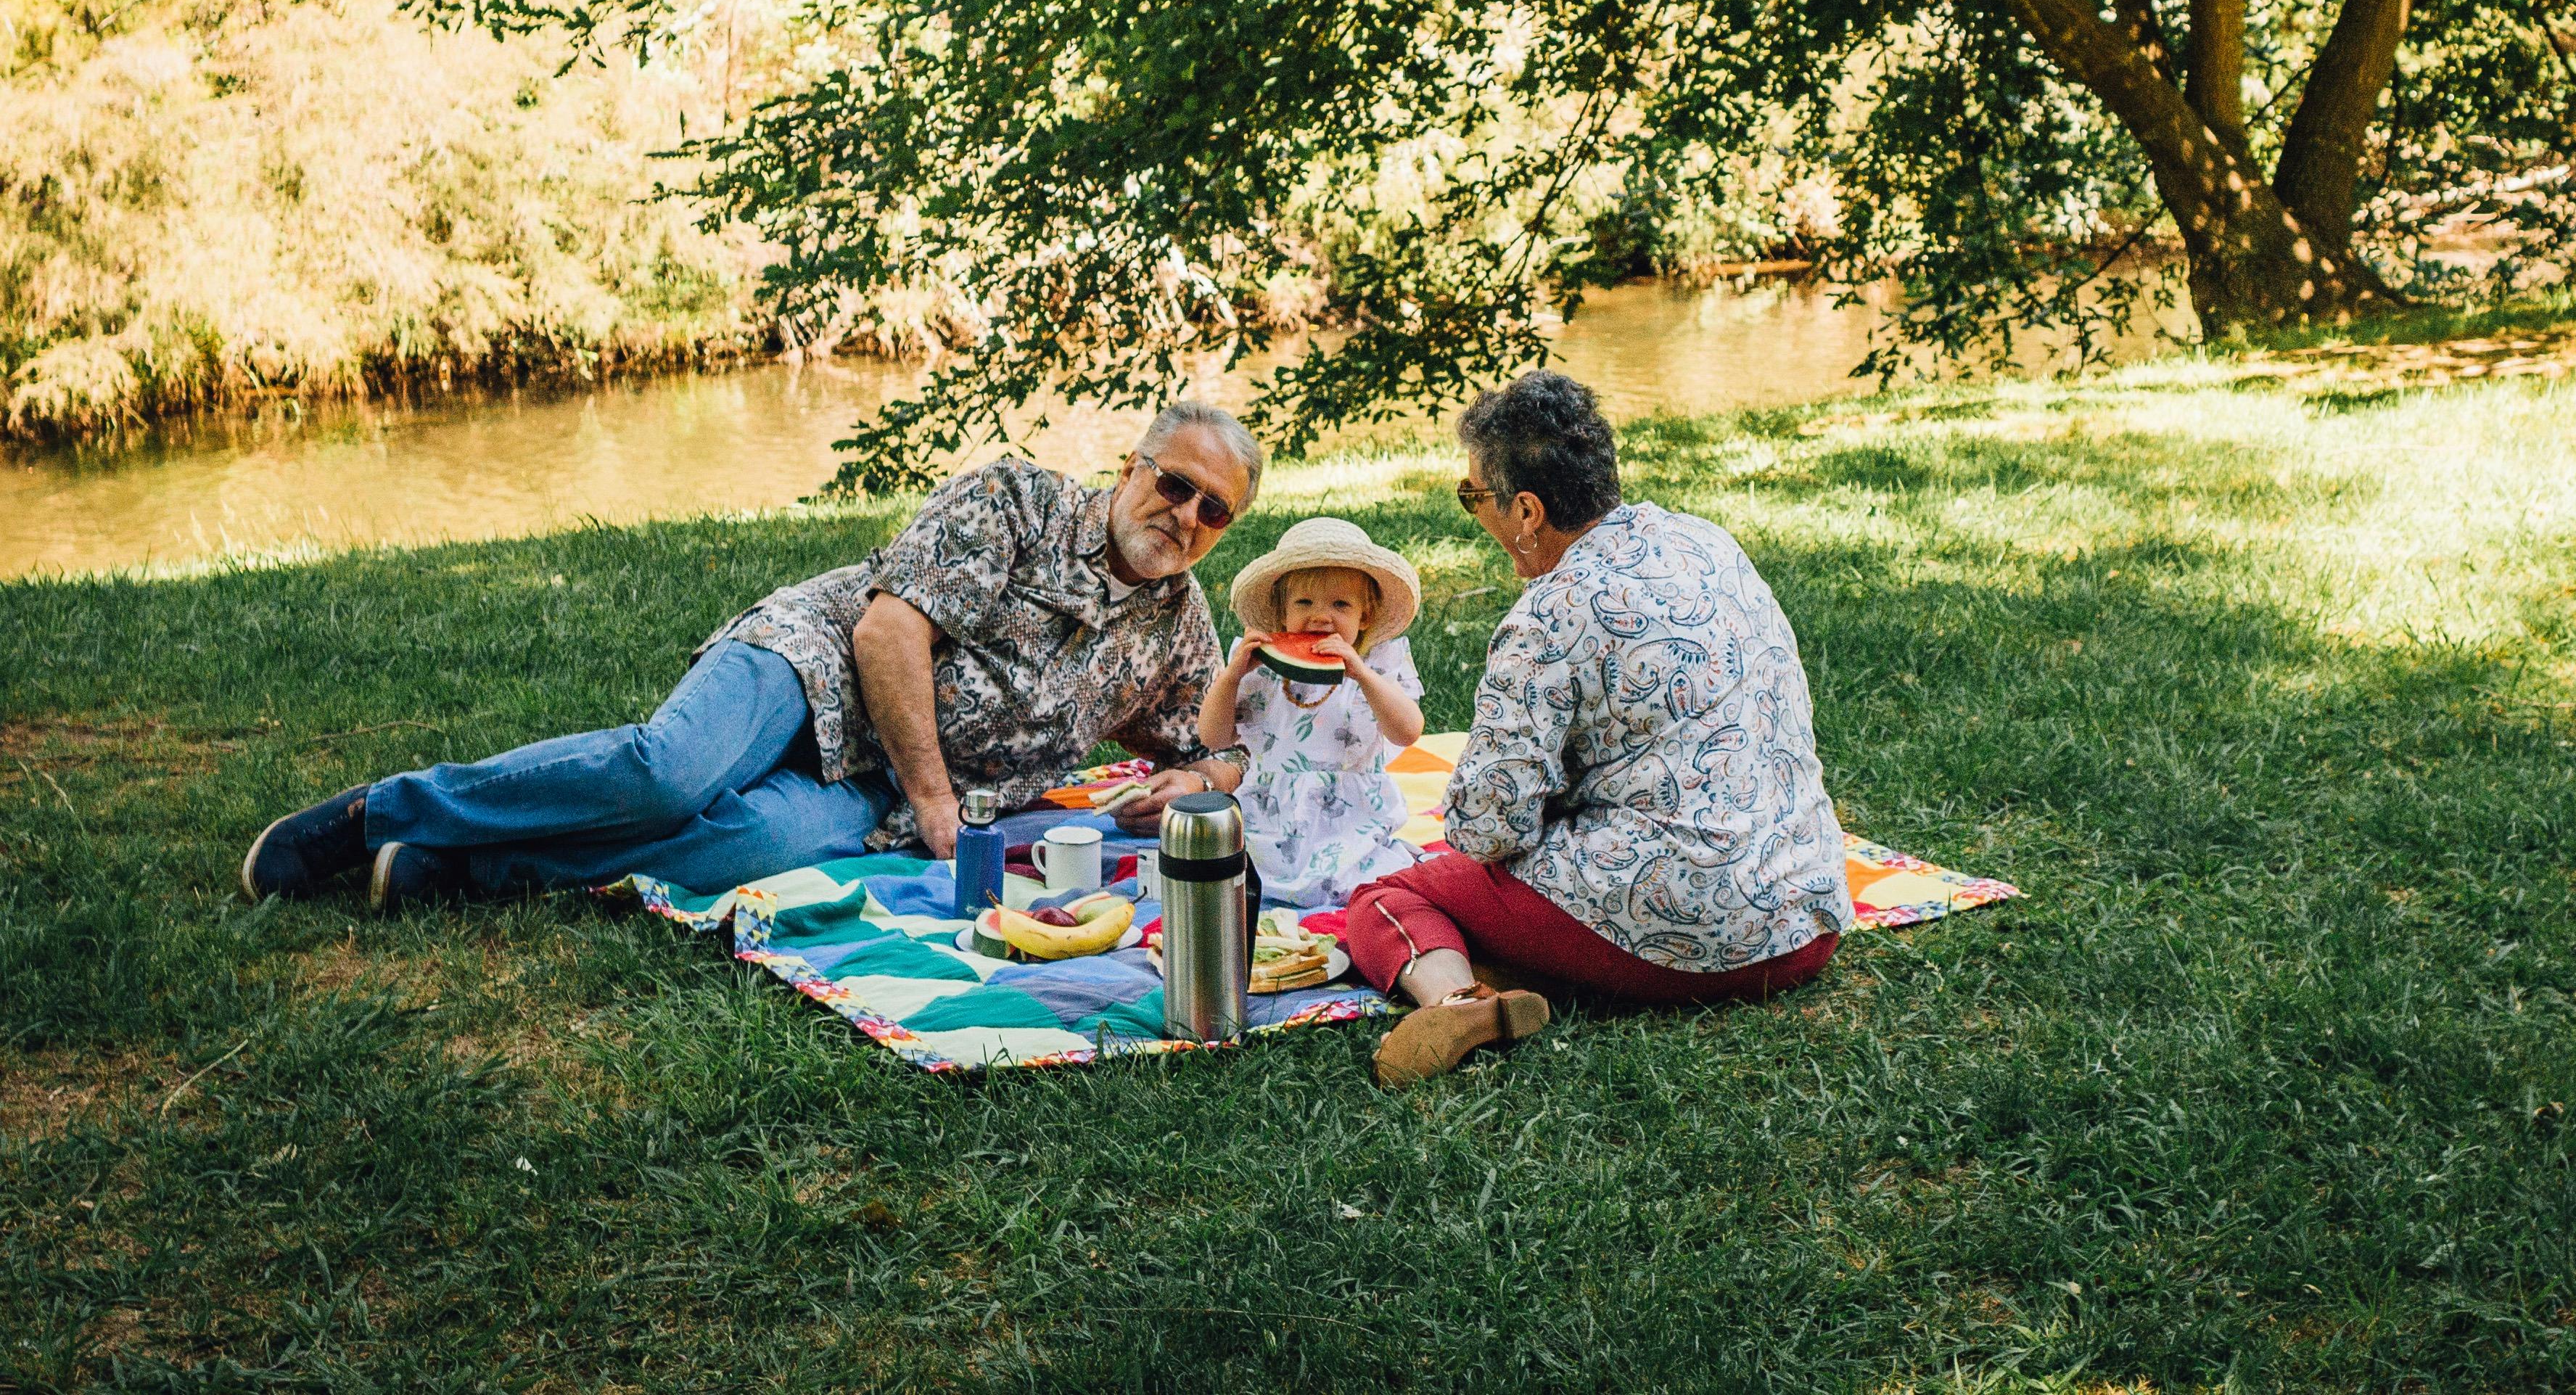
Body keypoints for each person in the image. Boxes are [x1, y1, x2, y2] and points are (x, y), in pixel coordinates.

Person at [240, 401, 1262, 910]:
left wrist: (1196, 773)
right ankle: (379, 811)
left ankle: (453, 865)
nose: (1183, 515)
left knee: (738, 849)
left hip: (873, 789)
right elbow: (886, 629)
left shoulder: (1175, 625)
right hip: (810, 663)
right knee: (668, 773)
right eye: (1173, 483)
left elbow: (1222, 741)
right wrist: (941, 804)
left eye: (1213, 510)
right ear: (1132, 464)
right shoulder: (1020, 499)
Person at [1346, 371, 1853, 1086]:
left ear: (1526, 509)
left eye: (1473, 497)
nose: (1476, 515)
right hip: (1809, 918)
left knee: (1389, 897)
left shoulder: (1549, 611)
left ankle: (1457, 996)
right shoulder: (1708, 541)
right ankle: (1515, 968)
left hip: (1693, 939)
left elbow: (1489, 829)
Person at [1201, 517, 1427, 908]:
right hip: (1270, 821)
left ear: (1365, 618)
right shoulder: (1261, 668)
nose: (1321, 616)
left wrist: (1361, 672)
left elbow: (1408, 731)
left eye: (1340, 604)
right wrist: (1233, 676)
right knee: (1245, 885)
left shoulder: (1378, 667)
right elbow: (1213, 737)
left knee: (1370, 888)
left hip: (1353, 822)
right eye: (1304, 603)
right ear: (1281, 612)